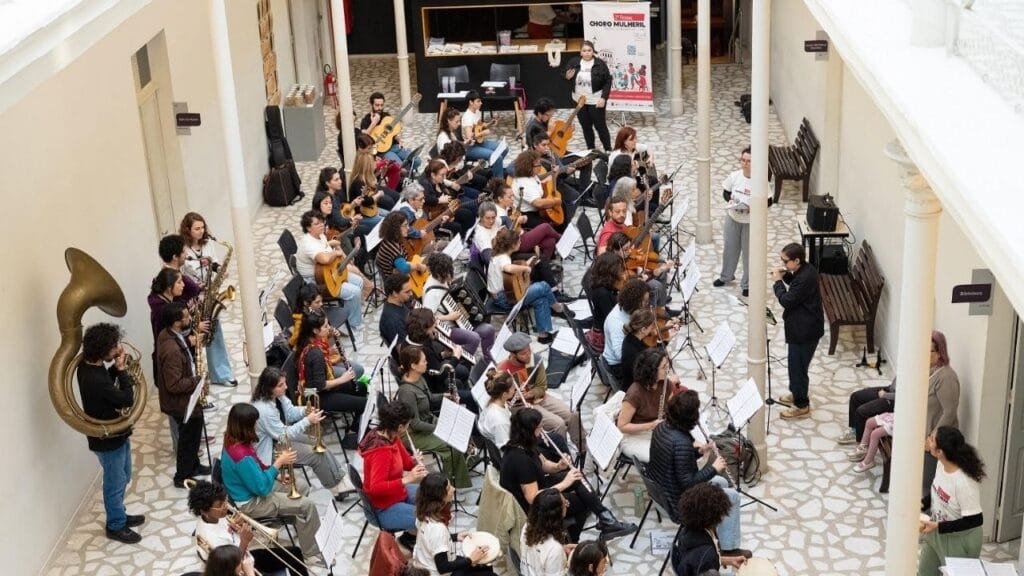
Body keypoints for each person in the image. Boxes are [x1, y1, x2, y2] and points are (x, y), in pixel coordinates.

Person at [500, 408, 636, 543]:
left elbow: (544, 463)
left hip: (541, 487)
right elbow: (532, 498)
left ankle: (606, 519)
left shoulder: (525, 444)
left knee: (576, 476)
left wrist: (559, 466)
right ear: (528, 431)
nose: (542, 430)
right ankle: (571, 541)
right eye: (539, 428)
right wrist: (565, 483)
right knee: (583, 503)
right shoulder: (521, 460)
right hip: (535, 507)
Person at [649, 391, 749, 559]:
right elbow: (688, 483)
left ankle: (719, 530)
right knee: (732, 496)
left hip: (664, 491)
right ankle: (729, 549)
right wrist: (714, 468)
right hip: (679, 504)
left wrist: (698, 452)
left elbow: (677, 461)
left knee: (721, 483)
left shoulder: (663, 427)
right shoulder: (681, 442)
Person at [219, 403, 323, 564]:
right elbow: (262, 488)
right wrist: (278, 463)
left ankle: (301, 527)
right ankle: (311, 554)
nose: (257, 425)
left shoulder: (233, 438)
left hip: (253, 488)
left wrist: (276, 476)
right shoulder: (241, 456)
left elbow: (256, 464)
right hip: (251, 502)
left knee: (301, 486)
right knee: (307, 506)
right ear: (246, 425)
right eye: (254, 423)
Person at [78, 322, 144, 544]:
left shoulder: (89, 367)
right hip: (108, 439)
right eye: (114, 347)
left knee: (124, 475)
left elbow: (107, 378)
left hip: (116, 434)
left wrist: (116, 366)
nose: (118, 349)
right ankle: (115, 525)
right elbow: (126, 398)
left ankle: (120, 515)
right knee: (115, 483)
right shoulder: (94, 379)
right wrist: (123, 371)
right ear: (101, 350)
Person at [250, 367, 352, 500]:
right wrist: (307, 421)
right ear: (269, 388)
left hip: (278, 439)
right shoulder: (264, 411)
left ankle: (340, 478)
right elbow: (283, 435)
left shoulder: (278, 395)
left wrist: (306, 410)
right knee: (316, 455)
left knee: (317, 441)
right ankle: (336, 487)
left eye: (285, 383)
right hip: (270, 450)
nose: (286, 387)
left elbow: (290, 412)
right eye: (281, 385)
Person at [187, 480, 307, 575]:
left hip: (246, 555)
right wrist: (244, 542)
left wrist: (236, 529)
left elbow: (231, 536)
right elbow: (231, 568)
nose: (225, 507)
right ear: (204, 510)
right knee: (292, 556)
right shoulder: (210, 537)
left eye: (225, 501)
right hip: (240, 566)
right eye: (220, 505)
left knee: (294, 552)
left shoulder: (215, 516)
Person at [395, 346, 472, 489]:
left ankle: (464, 465)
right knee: (451, 445)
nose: (427, 363)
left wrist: (445, 396)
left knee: (460, 427)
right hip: (414, 434)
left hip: (428, 421)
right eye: (423, 361)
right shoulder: (406, 392)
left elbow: (429, 397)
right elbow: (415, 424)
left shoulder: (419, 378)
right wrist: (441, 428)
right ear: (413, 366)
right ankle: (454, 485)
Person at [358, 399, 428, 549]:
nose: (409, 427)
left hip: (396, 493)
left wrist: (415, 460)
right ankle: (407, 542)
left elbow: (406, 463)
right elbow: (375, 488)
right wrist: (407, 479)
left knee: (432, 495)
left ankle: (411, 537)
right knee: (427, 518)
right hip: (382, 507)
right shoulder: (381, 452)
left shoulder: (392, 436)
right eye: (408, 424)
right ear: (401, 426)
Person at [179, 212, 238, 388]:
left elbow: (213, 263)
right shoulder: (183, 250)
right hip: (192, 298)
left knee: (214, 333)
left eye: (203, 227)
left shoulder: (208, 244)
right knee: (193, 336)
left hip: (209, 295)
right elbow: (183, 274)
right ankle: (195, 379)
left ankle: (221, 374)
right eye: (197, 228)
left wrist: (220, 270)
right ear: (187, 230)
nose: (201, 231)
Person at [155, 301, 209, 488]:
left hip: (185, 399)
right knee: (188, 439)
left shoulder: (169, 334)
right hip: (181, 403)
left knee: (192, 437)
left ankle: (194, 466)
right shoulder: (171, 351)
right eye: (186, 316)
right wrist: (197, 381)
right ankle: (182, 476)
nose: (190, 318)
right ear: (177, 322)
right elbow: (174, 384)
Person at [918, 426, 985, 576]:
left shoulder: (964, 482)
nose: (928, 439)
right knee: (924, 573)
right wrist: (923, 503)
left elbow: (975, 520)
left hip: (961, 541)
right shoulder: (942, 463)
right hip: (937, 532)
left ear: (940, 451)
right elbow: (937, 491)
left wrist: (938, 526)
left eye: (931, 439)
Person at [294, 311, 367, 442]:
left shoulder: (311, 342)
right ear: (315, 330)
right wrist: (342, 379)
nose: (330, 328)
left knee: (361, 387)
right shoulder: (315, 353)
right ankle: (351, 437)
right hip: (317, 397)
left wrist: (331, 351)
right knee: (364, 403)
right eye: (326, 326)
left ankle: (356, 424)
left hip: (319, 389)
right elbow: (320, 385)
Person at [500, 332, 581, 448]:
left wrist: (530, 394)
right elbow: (502, 399)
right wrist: (513, 395)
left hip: (539, 398)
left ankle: (583, 448)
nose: (528, 355)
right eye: (523, 354)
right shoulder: (503, 370)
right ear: (513, 354)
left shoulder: (535, 359)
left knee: (573, 415)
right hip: (521, 406)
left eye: (529, 350)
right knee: (558, 424)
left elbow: (542, 386)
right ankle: (561, 454)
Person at [771, 243, 823, 420]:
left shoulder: (805, 277)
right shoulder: (805, 270)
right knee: (796, 368)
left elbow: (787, 300)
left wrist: (778, 282)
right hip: (802, 328)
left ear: (797, 260)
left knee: (798, 369)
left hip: (804, 332)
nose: (783, 263)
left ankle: (802, 405)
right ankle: (796, 392)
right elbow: (796, 285)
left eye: (785, 261)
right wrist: (785, 277)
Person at [413, 472, 497, 576]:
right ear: (439, 496)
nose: (453, 489)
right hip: (439, 572)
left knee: (484, 565)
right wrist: (470, 560)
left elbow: (431, 541)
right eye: (448, 488)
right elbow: (443, 567)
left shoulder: (423, 513)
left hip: (430, 563)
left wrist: (455, 536)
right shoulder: (437, 529)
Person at [294, 210, 367, 329]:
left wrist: (330, 243)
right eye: (317, 224)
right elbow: (323, 258)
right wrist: (337, 252)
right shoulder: (308, 243)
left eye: (322, 222)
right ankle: (353, 325)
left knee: (359, 281)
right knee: (354, 292)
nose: (322, 225)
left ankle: (352, 312)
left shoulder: (320, 235)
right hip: (318, 281)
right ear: (308, 228)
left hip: (328, 271)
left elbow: (323, 248)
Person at [487, 228, 561, 344]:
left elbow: (507, 273)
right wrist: (526, 268)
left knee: (540, 299)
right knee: (543, 286)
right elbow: (508, 268)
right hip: (504, 299)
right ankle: (557, 307)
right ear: (512, 245)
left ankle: (544, 335)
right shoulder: (503, 258)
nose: (521, 242)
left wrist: (527, 263)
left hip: (503, 295)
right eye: (519, 241)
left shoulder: (499, 255)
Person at [713, 148, 768, 298]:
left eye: (749, 161)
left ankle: (747, 284)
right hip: (733, 218)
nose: (745, 163)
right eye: (743, 160)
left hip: (750, 222)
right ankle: (726, 276)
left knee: (749, 254)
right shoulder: (734, 176)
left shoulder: (760, 180)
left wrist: (754, 206)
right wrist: (730, 200)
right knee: (730, 249)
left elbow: (768, 200)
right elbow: (726, 192)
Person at [424, 252, 496, 365]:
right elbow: (427, 320)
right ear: (437, 274)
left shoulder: (442, 280)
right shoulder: (431, 294)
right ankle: (461, 366)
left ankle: (488, 363)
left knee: (489, 329)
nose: (449, 276)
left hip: (458, 322)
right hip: (446, 329)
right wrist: (448, 316)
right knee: (474, 338)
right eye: (445, 274)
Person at [616, 348, 684, 463]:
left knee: (681, 447)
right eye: (664, 367)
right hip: (633, 436)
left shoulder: (666, 384)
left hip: (654, 429)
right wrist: (651, 425)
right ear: (652, 371)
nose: (667, 369)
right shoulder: (634, 394)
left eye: (667, 365)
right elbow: (622, 426)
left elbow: (670, 408)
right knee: (664, 459)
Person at [671, 483, 748, 576]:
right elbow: (705, 560)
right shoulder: (708, 555)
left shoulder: (686, 531)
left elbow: (696, 560)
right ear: (714, 516)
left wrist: (730, 561)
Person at [404, 308, 475, 404]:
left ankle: (463, 389)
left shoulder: (408, 341)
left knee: (463, 373)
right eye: (432, 325)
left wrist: (443, 354)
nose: (436, 325)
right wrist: (455, 357)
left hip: (430, 379)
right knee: (471, 397)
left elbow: (431, 363)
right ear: (424, 330)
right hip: (434, 389)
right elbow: (440, 375)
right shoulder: (423, 351)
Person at [563, 41, 612, 151]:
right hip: (579, 100)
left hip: (595, 100)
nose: (587, 53)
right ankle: (591, 149)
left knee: (600, 126)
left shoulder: (600, 64)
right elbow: (565, 75)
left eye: (589, 50)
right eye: (584, 51)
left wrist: (604, 97)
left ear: (593, 51)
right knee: (586, 126)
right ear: (580, 52)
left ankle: (608, 149)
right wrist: (567, 76)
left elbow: (608, 81)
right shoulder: (574, 62)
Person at [602, 279, 649, 381]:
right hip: (617, 367)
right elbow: (621, 356)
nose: (646, 305)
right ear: (635, 302)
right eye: (644, 302)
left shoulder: (625, 308)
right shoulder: (616, 323)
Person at [521, 488, 573, 576]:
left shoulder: (528, 525)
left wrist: (562, 548)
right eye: (565, 504)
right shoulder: (554, 549)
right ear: (556, 514)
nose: (567, 506)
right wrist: (571, 561)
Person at [511, 150, 565, 232]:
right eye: (538, 164)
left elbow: (542, 186)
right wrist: (555, 202)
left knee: (563, 209)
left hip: (538, 211)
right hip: (528, 215)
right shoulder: (524, 183)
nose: (541, 166)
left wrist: (554, 176)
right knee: (549, 231)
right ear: (529, 167)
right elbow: (538, 203)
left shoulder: (532, 176)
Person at [418, 159, 473, 235]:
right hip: (435, 216)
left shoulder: (440, 181)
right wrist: (439, 200)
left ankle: (466, 235)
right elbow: (426, 199)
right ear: (433, 175)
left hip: (445, 209)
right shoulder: (425, 184)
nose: (444, 178)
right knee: (457, 226)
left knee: (467, 213)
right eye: (442, 175)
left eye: (445, 175)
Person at [461, 90, 507, 178]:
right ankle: (498, 182)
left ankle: (493, 171)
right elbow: (469, 138)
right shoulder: (467, 117)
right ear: (471, 102)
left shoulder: (477, 112)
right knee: (497, 157)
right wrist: (483, 133)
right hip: (470, 147)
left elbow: (480, 126)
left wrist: (491, 123)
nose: (481, 103)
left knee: (505, 148)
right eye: (478, 101)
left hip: (479, 142)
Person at [361, 91, 415, 165]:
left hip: (394, 146)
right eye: (377, 105)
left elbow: (393, 133)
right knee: (399, 165)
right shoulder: (366, 120)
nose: (380, 108)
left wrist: (399, 140)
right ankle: (404, 174)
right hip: (382, 151)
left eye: (381, 105)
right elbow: (363, 137)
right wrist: (373, 123)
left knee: (416, 160)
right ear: (371, 105)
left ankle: (409, 173)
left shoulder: (387, 116)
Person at [348, 150, 395, 228]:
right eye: (373, 162)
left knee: (393, 216)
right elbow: (366, 201)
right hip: (362, 215)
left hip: (371, 210)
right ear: (367, 166)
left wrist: (382, 176)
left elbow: (373, 191)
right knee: (389, 223)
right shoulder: (358, 182)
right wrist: (379, 195)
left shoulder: (366, 177)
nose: (375, 164)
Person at [376, 211, 429, 281]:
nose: (408, 228)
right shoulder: (393, 247)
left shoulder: (391, 239)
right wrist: (418, 266)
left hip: (398, 275)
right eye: (405, 225)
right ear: (395, 228)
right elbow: (404, 268)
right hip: (397, 283)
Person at [477, 369, 517, 449]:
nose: (515, 388)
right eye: (513, 387)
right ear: (505, 394)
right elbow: (506, 448)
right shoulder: (500, 421)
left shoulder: (493, 400)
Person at [380, 272, 414, 352]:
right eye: (407, 292)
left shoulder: (400, 303)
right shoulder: (393, 320)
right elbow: (404, 352)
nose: (411, 294)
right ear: (395, 293)